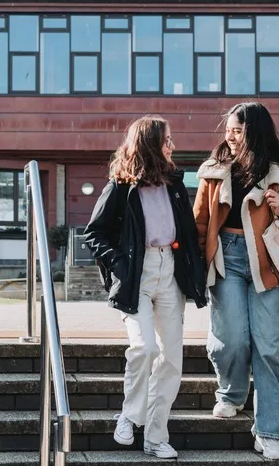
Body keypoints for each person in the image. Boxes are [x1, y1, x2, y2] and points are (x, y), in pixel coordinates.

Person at [192, 102, 279, 460]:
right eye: (228, 130)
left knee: (269, 346)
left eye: (237, 130)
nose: (229, 136)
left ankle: (270, 431)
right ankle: (231, 393)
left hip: (268, 264)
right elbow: (200, 223)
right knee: (230, 338)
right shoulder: (214, 170)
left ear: (255, 132)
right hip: (226, 258)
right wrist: (197, 265)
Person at [82, 115, 208, 459]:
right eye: (167, 140)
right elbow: (94, 233)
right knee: (145, 348)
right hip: (137, 273)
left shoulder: (175, 184)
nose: (173, 145)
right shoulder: (122, 186)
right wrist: (121, 264)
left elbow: (186, 232)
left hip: (170, 273)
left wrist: (195, 271)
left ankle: (155, 437)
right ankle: (129, 415)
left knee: (171, 361)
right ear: (151, 144)